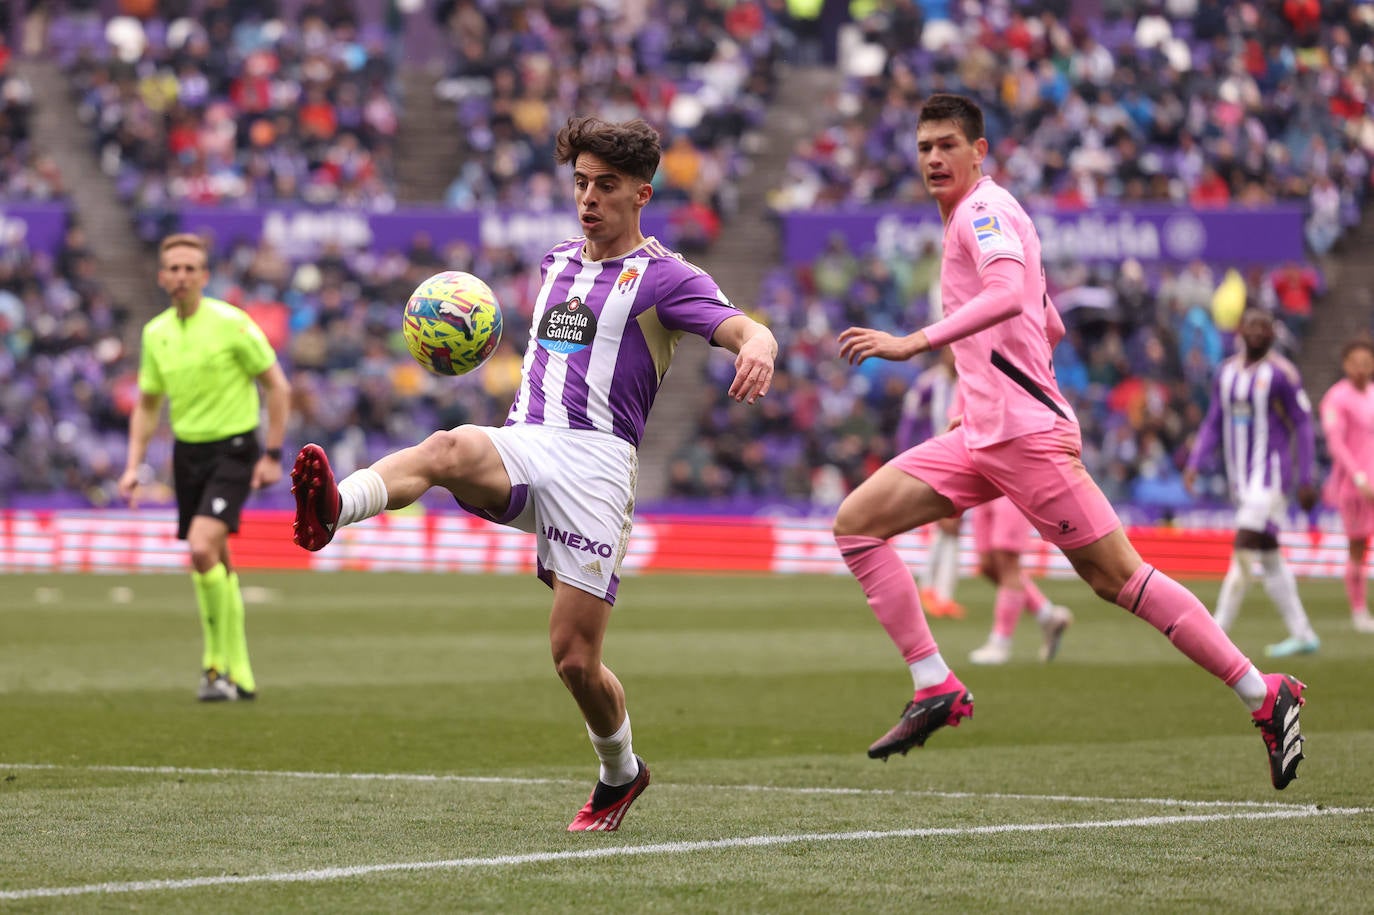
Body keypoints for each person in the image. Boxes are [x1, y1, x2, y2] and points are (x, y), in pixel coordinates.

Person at [290, 116, 778, 831]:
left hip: (598, 467)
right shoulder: (556, 263)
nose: (588, 198)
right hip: (527, 439)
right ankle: (337, 507)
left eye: (605, 186)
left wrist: (756, 348)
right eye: (580, 182)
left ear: (641, 194)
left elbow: (744, 326)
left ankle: (621, 771)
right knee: (447, 447)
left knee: (574, 660)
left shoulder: (668, 277)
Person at [832, 94, 1306, 791]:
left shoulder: (984, 210)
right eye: (924, 145)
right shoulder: (969, 217)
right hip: (986, 434)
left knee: (1118, 578)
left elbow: (1010, 293)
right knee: (856, 526)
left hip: (1024, 437)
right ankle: (934, 682)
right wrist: (984, 390)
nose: (933, 157)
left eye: (947, 145)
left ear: (979, 151)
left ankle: (1265, 694)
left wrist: (917, 342)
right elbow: (1046, 321)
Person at [119, 233, 292, 702]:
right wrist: (134, 464)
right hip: (187, 455)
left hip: (234, 449)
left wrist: (272, 454)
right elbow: (148, 405)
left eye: (189, 268)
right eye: (172, 268)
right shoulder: (156, 333)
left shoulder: (232, 324)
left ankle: (215, 667)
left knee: (200, 549)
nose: (180, 276)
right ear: (161, 276)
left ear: (204, 276)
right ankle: (240, 673)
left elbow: (277, 387)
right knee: (214, 557)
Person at [1183, 308, 1320, 658]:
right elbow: (1215, 419)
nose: (1257, 332)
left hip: (1271, 476)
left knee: (1243, 546)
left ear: (1273, 333)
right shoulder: (1226, 372)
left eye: (1264, 326)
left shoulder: (1282, 374)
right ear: (1240, 330)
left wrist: (1307, 476)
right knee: (1269, 556)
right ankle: (1303, 633)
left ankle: (1215, 632)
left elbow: (1303, 426)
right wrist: (1196, 461)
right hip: (1241, 481)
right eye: (1251, 325)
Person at [966, 495, 1074, 665]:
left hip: (1010, 485)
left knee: (1007, 562)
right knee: (988, 565)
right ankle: (1048, 616)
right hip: (981, 485)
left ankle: (1000, 642)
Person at [1317, 337, 1374, 634]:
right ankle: (1359, 610)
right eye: (1356, 363)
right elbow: (1336, 444)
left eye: (1367, 363)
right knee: (1358, 548)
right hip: (1356, 487)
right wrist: (1359, 477)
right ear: (1345, 365)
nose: (1361, 369)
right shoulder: (1336, 398)